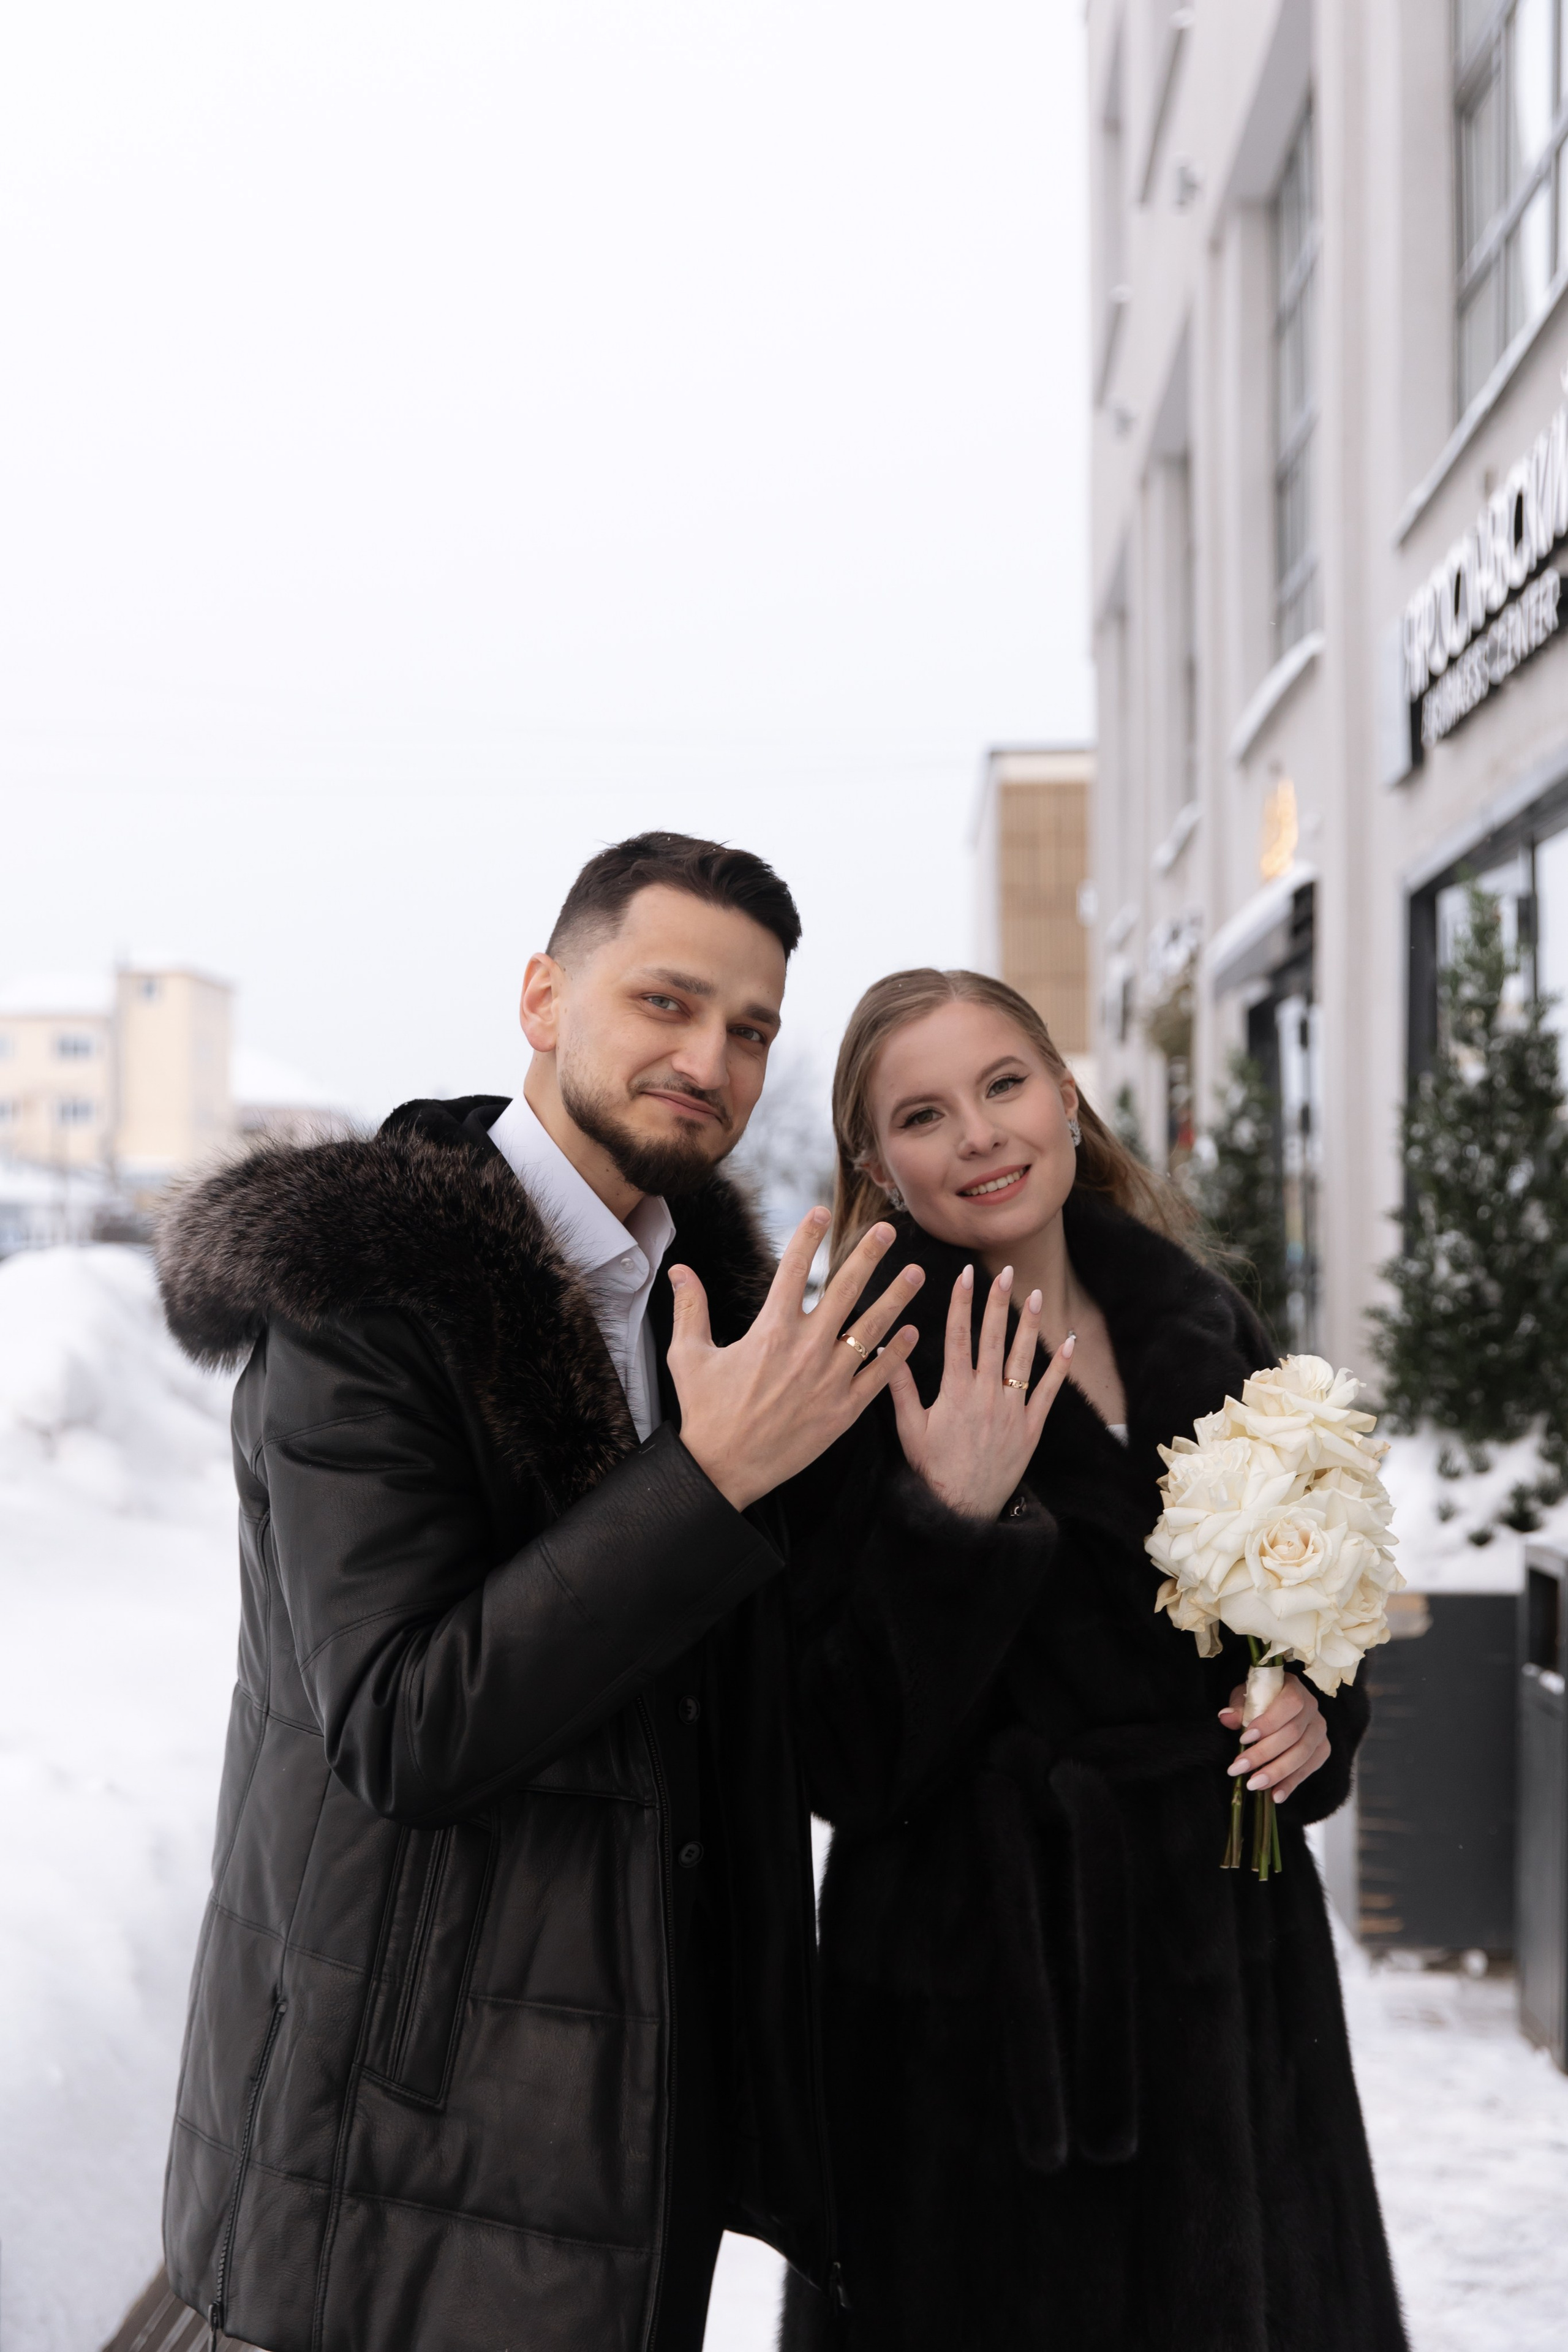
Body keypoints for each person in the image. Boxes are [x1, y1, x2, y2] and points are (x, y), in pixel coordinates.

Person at [153, 832, 963, 2352]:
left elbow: (797, 1726)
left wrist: (959, 1521)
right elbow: (405, 1728)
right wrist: (702, 1486)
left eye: (749, 1029)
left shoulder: (706, 1318)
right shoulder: (366, 1299)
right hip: (394, 2153)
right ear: (542, 995)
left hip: (634, 2138)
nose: (707, 1058)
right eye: (664, 1002)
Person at [780, 967, 1408, 2352]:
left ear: (1065, 1099)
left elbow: (1307, 1613)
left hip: (1231, 1977)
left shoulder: (1204, 1326)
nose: (980, 1137)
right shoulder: (862, 1366)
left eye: (1004, 1085)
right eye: (924, 1115)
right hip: (975, 2017)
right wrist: (946, 1523)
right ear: (878, 1168)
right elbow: (833, 1753)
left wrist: (1314, 1713)